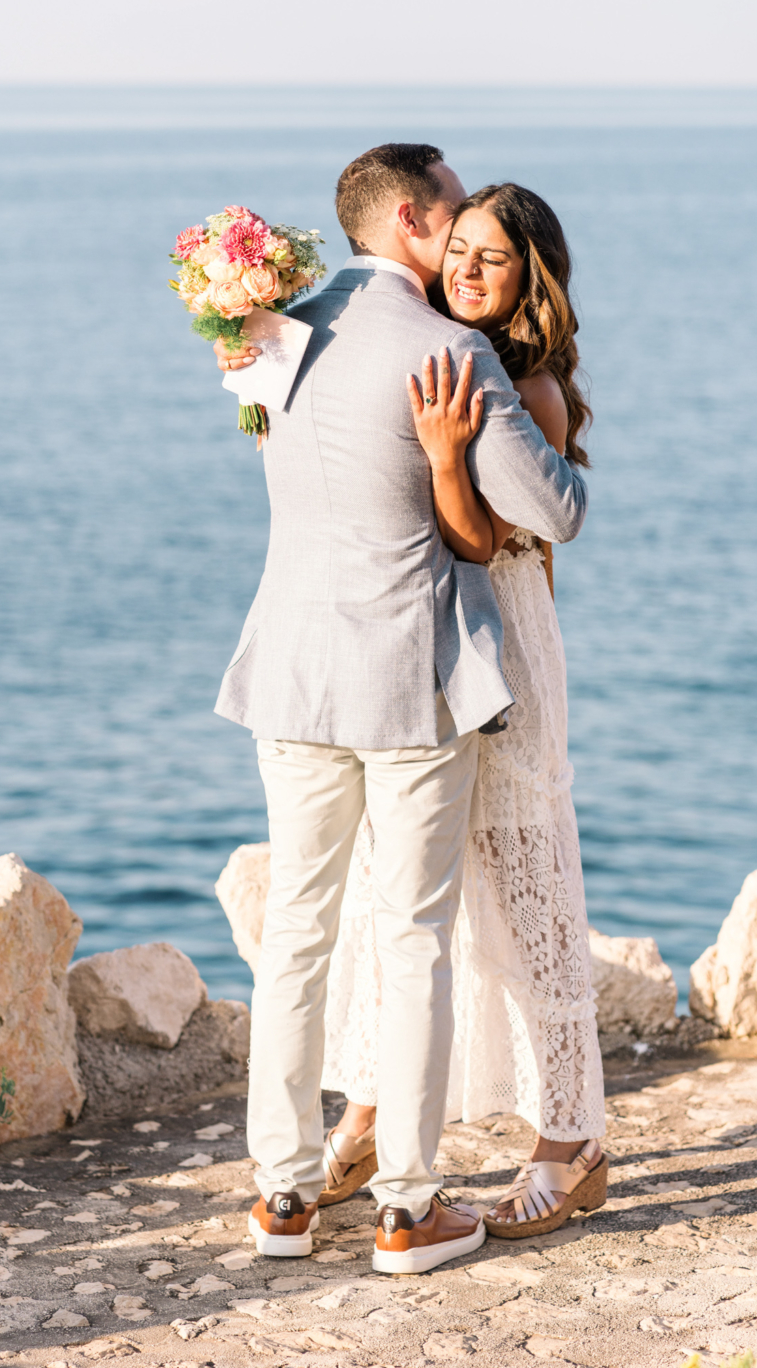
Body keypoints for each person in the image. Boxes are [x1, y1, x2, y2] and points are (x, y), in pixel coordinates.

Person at [211, 145, 588, 1273]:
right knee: (414, 939)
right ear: (421, 218)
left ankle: (281, 1196)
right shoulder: (448, 351)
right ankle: (408, 1208)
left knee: (299, 938)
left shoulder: (268, 333)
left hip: (290, 672)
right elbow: (553, 512)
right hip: (410, 683)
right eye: (454, 211)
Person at [319, 185, 608, 1240]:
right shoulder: (442, 356)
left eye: (496, 258)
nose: (470, 270)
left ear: (535, 277)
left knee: (529, 901)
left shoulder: (529, 389)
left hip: (508, 663)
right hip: (434, 661)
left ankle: (572, 1141)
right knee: (396, 894)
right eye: (463, 251)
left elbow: (484, 542)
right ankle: (371, 1107)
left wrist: (446, 458)